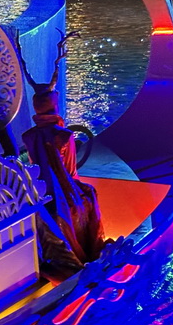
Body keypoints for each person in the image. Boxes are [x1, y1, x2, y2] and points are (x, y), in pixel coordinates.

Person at [17, 52, 106, 282]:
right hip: (62, 192)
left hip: (40, 188)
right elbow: (70, 174)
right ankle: (90, 251)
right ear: (55, 106)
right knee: (89, 194)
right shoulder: (65, 136)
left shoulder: (28, 136)